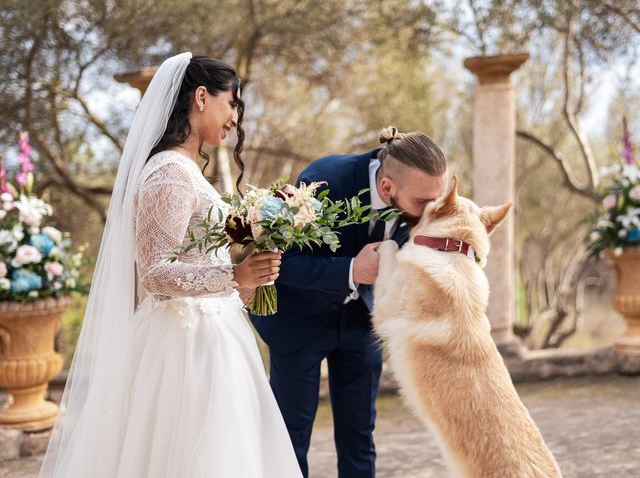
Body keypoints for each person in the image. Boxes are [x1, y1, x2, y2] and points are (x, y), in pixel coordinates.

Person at [39, 53, 302, 478]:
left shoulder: (188, 172)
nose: (235, 117)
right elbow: (156, 274)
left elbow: (197, 260)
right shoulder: (169, 173)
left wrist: (247, 282)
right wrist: (233, 275)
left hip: (214, 335)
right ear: (201, 96)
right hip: (183, 347)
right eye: (231, 102)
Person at [250, 127, 448, 478]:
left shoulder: (421, 203)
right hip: (300, 323)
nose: (431, 212)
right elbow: (281, 264)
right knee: (290, 440)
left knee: (359, 438)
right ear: (387, 188)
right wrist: (354, 269)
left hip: (360, 324)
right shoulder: (324, 181)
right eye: (423, 203)